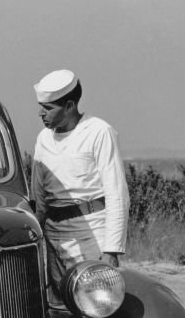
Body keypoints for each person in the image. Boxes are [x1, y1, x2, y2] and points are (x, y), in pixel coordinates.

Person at [30, 69, 129, 294]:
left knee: (92, 301)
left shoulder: (99, 132)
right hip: (54, 238)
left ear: (69, 106)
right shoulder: (43, 139)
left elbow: (117, 193)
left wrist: (111, 251)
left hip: (91, 235)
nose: (40, 113)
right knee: (58, 306)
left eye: (47, 108)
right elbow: (39, 197)